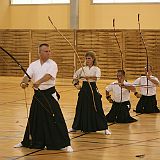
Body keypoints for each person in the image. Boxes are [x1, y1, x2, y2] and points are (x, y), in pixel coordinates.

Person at [14, 43, 73, 152]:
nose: (49, 53)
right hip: (38, 95)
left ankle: (64, 144)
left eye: (49, 51)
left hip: (49, 94)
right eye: (46, 51)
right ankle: (27, 141)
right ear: (40, 52)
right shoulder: (33, 64)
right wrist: (24, 83)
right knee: (34, 119)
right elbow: (27, 76)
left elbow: (49, 76)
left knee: (56, 118)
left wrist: (38, 82)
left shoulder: (52, 64)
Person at [68, 51, 111, 135]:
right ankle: (75, 127)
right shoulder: (82, 69)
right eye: (86, 58)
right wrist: (76, 85)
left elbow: (96, 78)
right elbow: (75, 77)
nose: (87, 60)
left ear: (93, 59)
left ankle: (105, 128)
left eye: (89, 58)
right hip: (84, 89)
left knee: (97, 107)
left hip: (92, 89)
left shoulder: (96, 69)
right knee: (80, 108)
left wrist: (88, 77)